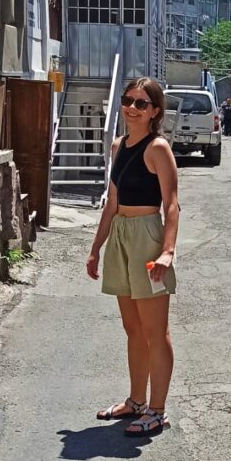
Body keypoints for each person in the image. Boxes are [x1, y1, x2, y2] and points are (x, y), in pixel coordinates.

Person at [87, 77, 179, 437]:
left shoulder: (158, 148)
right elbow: (111, 204)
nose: (132, 108)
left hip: (147, 236)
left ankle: (157, 410)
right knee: (133, 328)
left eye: (142, 103)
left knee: (156, 330)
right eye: (128, 100)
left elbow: (172, 205)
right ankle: (136, 401)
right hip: (121, 235)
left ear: (155, 111)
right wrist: (96, 248)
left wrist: (168, 251)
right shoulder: (117, 145)